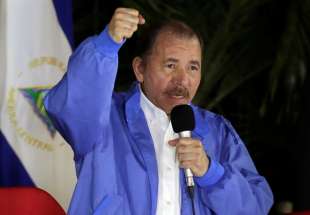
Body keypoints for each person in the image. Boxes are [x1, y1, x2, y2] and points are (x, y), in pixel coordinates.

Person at [44, 7, 273, 215]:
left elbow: (257, 206)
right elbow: (68, 106)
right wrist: (105, 45)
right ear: (140, 69)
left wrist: (210, 172)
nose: (183, 79)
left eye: (193, 67)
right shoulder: (105, 118)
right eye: (171, 65)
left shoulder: (216, 130)